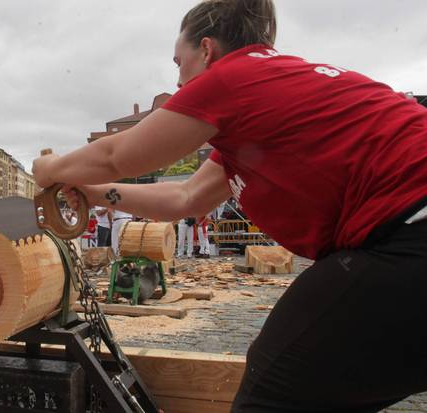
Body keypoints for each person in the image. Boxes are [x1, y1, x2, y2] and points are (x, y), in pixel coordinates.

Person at [32, 0, 427, 411]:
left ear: (206, 50)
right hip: (405, 237)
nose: (180, 82)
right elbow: (185, 198)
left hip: (408, 233)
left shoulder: (235, 76)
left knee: (273, 388)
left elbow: (121, 154)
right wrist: (96, 193)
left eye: (178, 62)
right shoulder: (258, 111)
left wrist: (51, 168)